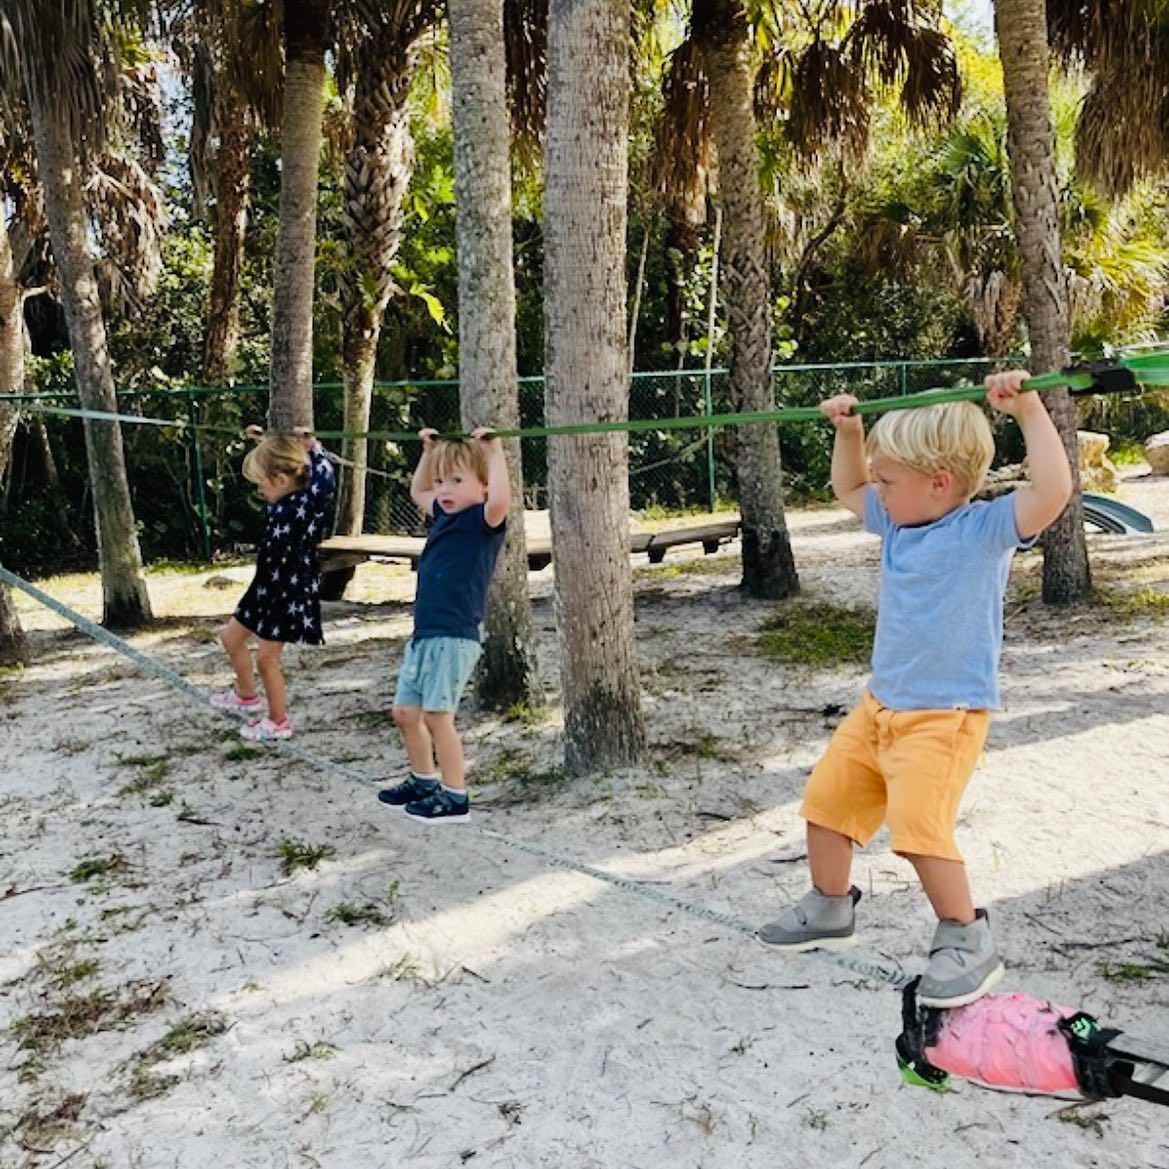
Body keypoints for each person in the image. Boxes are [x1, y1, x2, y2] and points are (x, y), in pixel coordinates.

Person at [758, 370, 1073, 1008]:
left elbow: (1054, 490)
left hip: (944, 716)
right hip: (880, 707)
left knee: (917, 828)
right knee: (827, 803)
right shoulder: (898, 523)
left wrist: (1030, 411)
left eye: (888, 479)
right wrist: (850, 432)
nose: (875, 489)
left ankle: (966, 938)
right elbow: (846, 483)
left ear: (939, 483)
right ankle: (828, 907)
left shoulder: (983, 530)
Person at [378, 426, 510, 823]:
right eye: (441, 481)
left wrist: (494, 454)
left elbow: (502, 498)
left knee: (438, 716)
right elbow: (419, 492)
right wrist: (428, 453)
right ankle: (424, 780)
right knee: (405, 712)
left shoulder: (483, 521)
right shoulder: (442, 515)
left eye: (456, 480)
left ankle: (455, 796)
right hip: (424, 634)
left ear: (482, 487)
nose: (444, 489)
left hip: (455, 636)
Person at [211, 425, 336, 741]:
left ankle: (278, 721)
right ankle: (246, 695)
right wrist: (266, 441)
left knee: (267, 659)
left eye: (261, 485)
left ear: (281, 481)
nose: (260, 491)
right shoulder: (285, 494)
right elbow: (284, 461)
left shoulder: (305, 504)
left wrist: (314, 448)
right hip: (266, 584)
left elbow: (324, 479)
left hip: (288, 592)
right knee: (230, 638)